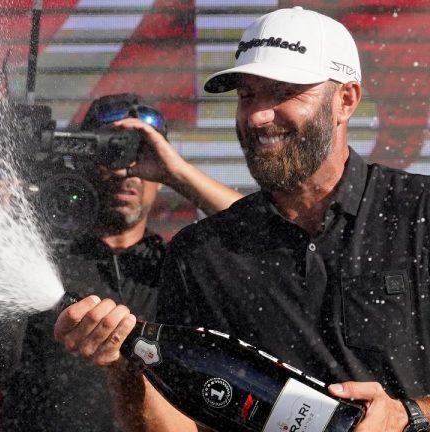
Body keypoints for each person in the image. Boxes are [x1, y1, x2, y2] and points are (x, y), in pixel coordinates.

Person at [55, 6, 430, 432]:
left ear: (345, 100)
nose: (257, 116)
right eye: (248, 95)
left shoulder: (418, 215)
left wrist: (407, 414)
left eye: (284, 92)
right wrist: (123, 370)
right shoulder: (200, 255)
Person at [0, 93, 242, 432]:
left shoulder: (180, 269)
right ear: (83, 158)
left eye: (139, 153)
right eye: (110, 151)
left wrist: (176, 173)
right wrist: (1, 241)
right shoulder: (40, 258)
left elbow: (268, 235)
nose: (125, 171)